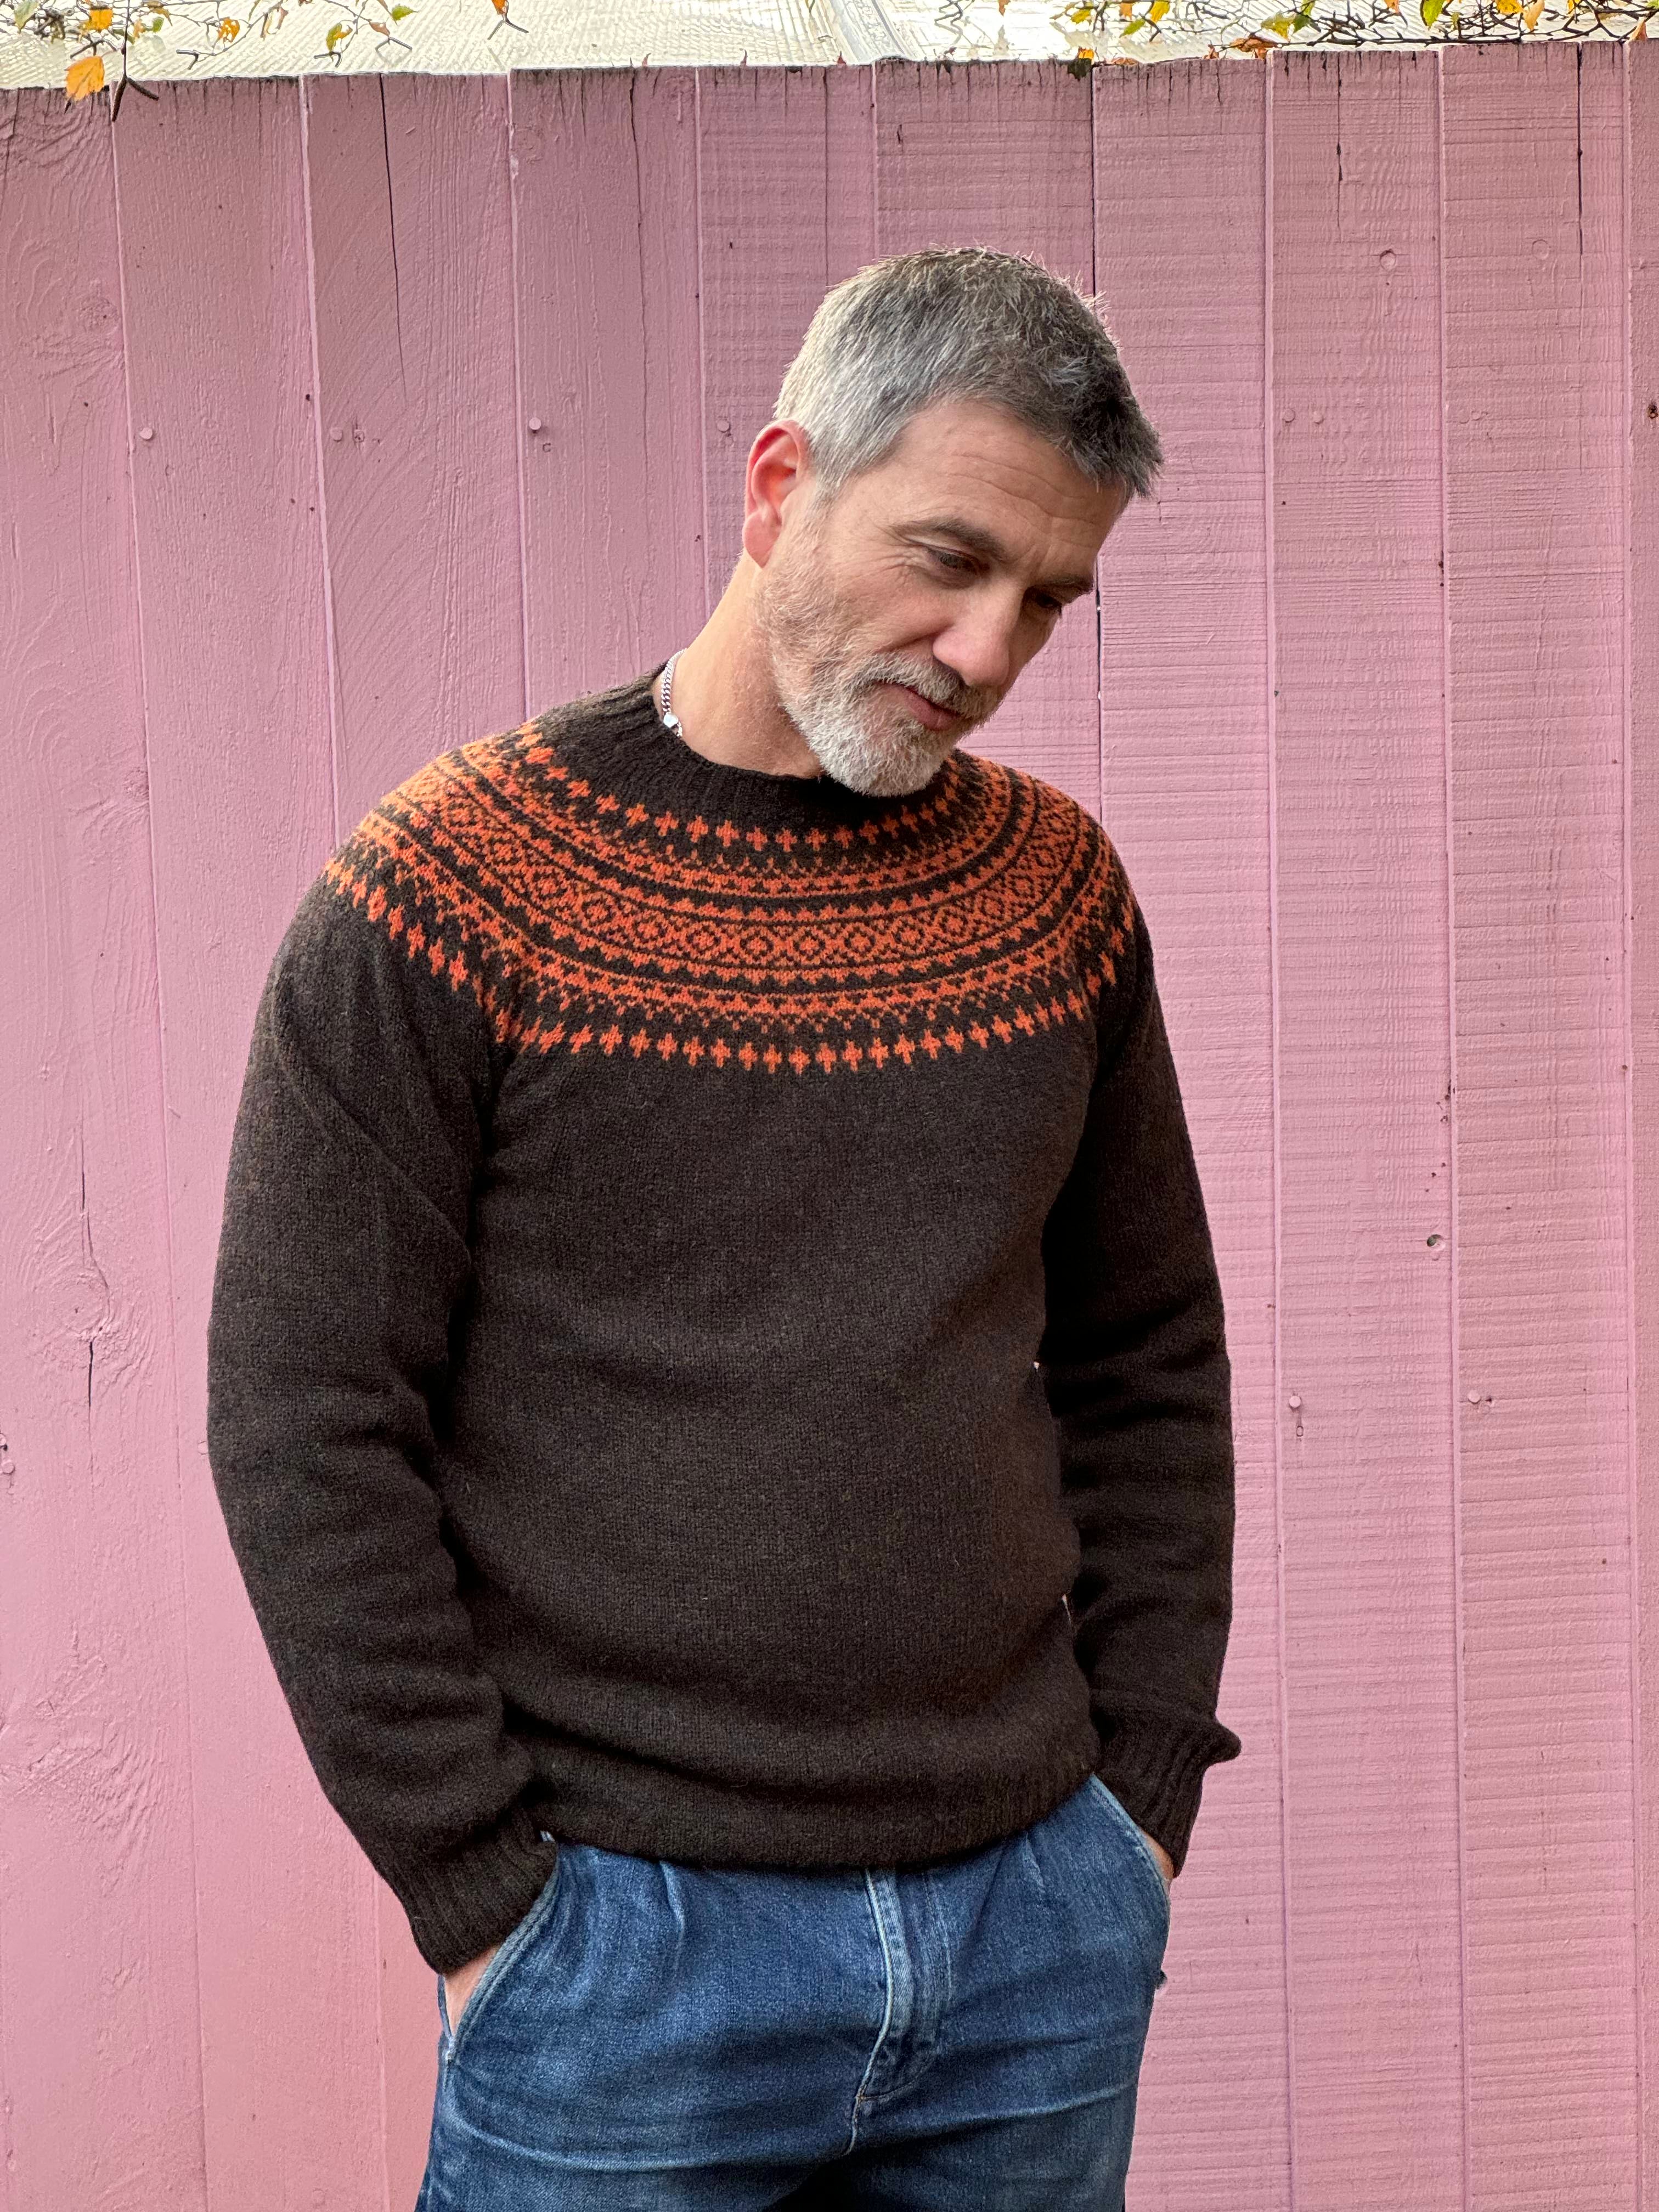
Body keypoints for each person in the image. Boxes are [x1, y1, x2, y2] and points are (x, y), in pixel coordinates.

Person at [205, 245, 1241, 2210]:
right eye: (949, 555)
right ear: (782, 489)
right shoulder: (450, 898)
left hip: (1035, 1933)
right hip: (622, 1967)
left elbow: (1147, 1358)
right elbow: (305, 1414)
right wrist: (481, 1890)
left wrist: (1141, 1808)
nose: (989, 642)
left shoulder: (1056, 897)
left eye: (1048, 598)